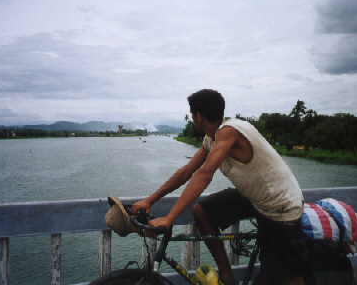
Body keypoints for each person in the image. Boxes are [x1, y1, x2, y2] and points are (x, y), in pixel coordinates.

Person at [132, 89, 309, 285]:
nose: (191, 119)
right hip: (256, 199)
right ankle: (227, 276)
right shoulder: (212, 138)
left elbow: (205, 174)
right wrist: (150, 199)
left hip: (281, 207)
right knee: (202, 211)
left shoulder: (229, 131)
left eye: (191, 115)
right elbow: (186, 172)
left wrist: (170, 218)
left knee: (289, 277)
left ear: (198, 115)